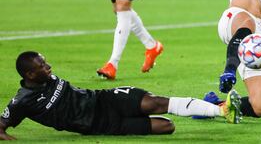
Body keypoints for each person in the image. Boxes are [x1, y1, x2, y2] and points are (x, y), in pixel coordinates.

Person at [0, 51, 242, 140]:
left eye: (46, 62)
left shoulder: (46, 77)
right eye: (43, 66)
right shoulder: (22, 101)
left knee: (155, 102)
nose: (49, 67)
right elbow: (2, 124)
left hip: (104, 99)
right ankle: (203, 110)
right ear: (30, 74)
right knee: (167, 127)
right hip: (100, 125)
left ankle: (220, 110)